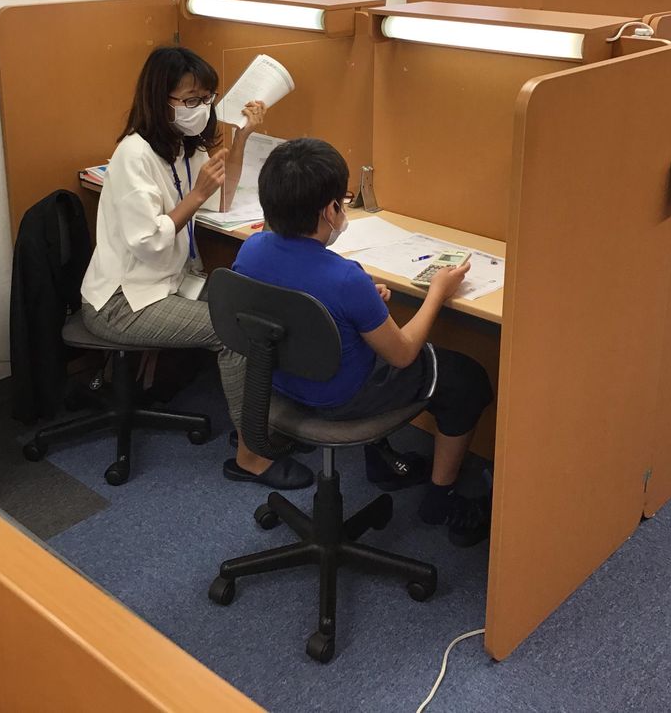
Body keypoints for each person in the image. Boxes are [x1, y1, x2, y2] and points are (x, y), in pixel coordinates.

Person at [232, 137, 494, 545]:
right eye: (341, 202)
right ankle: (441, 501)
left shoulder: (251, 249)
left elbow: (296, 300)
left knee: (365, 344)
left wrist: (361, 304)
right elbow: (403, 354)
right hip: (340, 399)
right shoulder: (345, 278)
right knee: (466, 378)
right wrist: (437, 293)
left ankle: (384, 462)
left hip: (279, 382)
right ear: (329, 210)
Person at [80, 46, 313, 490]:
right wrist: (195, 196)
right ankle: (251, 456)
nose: (201, 109)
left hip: (170, 283)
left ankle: (258, 426)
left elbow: (223, 196)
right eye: (190, 100)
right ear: (159, 98)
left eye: (207, 99)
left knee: (257, 311)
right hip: (123, 301)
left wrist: (241, 138)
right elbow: (149, 242)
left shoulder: (181, 148)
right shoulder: (134, 156)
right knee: (233, 335)